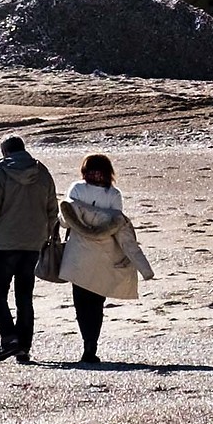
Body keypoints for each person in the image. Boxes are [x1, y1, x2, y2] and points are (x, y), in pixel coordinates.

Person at [57, 153, 154, 365]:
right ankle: (92, 343)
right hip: (105, 255)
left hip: (79, 255)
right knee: (97, 303)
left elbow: (65, 222)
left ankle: (87, 343)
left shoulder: (77, 189)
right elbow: (117, 226)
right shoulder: (114, 194)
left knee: (81, 303)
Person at [0, 134, 57, 364]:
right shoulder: (42, 172)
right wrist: (46, 236)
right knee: (24, 297)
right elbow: (52, 209)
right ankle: (23, 347)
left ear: (5, 152)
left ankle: (9, 339)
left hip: (5, 245)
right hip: (33, 245)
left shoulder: (0, 173)